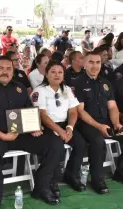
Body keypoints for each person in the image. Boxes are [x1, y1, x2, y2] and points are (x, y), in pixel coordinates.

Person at [0, 56, 64, 208]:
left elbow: (29, 110)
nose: (5, 72)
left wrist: (34, 126)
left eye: (9, 68)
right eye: (1, 68)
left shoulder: (20, 88)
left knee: (55, 144)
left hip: (22, 134)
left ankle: (41, 186)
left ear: (13, 71)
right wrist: (2, 135)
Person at [74, 52, 123, 192]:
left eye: (98, 62)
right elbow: (80, 111)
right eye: (91, 62)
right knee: (98, 140)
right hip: (86, 123)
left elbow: (112, 107)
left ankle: (122, 171)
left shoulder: (106, 83)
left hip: (107, 121)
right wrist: (99, 126)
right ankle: (97, 178)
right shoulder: (77, 83)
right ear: (84, 64)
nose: (95, 66)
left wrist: (116, 123)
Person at [30, 60, 86, 196]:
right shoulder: (40, 91)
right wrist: (59, 131)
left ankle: (72, 176)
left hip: (64, 125)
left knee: (81, 144)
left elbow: (73, 111)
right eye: (53, 72)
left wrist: (70, 128)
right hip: (47, 126)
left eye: (60, 72)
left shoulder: (66, 90)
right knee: (56, 148)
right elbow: (42, 115)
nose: (57, 75)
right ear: (46, 74)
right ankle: (51, 182)